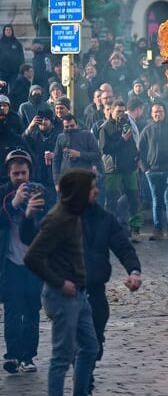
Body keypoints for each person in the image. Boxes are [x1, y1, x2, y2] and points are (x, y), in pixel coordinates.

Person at [24, 169, 100, 396]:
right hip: (62, 296)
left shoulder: (75, 214)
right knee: (62, 358)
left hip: (79, 295)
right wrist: (59, 283)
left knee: (89, 347)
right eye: (92, 188)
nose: (96, 191)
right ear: (80, 192)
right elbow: (32, 256)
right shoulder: (59, 219)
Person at [82, 197, 141, 373]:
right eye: (91, 189)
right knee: (77, 345)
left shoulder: (105, 218)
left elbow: (123, 247)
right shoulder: (62, 217)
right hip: (69, 290)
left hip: (95, 288)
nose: (96, 192)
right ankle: (83, 386)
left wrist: (134, 271)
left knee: (94, 340)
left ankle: (86, 376)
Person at [1, 150, 45, 374]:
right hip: (10, 262)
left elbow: (47, 222)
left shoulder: (39, 191)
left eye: (23, 173)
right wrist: (13, 203)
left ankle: (28, 356)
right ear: (9, 173)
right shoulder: (3, 194)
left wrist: (31, 211)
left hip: (33, 262)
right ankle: (13, 355)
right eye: (15, 173)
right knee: (12, 310)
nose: (20, 177)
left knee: (31, 309)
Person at [99, 101, 142, 240]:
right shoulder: (105, 127)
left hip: (129, 167)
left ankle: (135, 230)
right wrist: (122, 140)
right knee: (111, 200)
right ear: (111, 111)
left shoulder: (126, 124)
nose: (121, 114)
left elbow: (133, 144)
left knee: (134, 199)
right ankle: (108, 230)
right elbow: (105, 149)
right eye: (118, 111)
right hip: (113, 169)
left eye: (123, 111)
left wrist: (137, 158)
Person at [138, 102, 168, 241]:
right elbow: (140, 151)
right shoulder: (147, 130)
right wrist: (145, 169)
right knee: (156, 201)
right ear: (151, 114)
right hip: (152, 172)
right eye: (155, 112)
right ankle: (157, 229)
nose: (158, 114)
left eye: (160, 111)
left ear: (164, 113)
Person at [53, 114, 102, 184]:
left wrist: (79, 154)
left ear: (77, 125)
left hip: (84, 177)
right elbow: (56, 160)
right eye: (66, 127)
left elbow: (97, 155)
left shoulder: (87, 135)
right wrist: (57, 182)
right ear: (63, 127)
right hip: (66, 178)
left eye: (72, 126)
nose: (69, 128)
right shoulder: (60, 137)